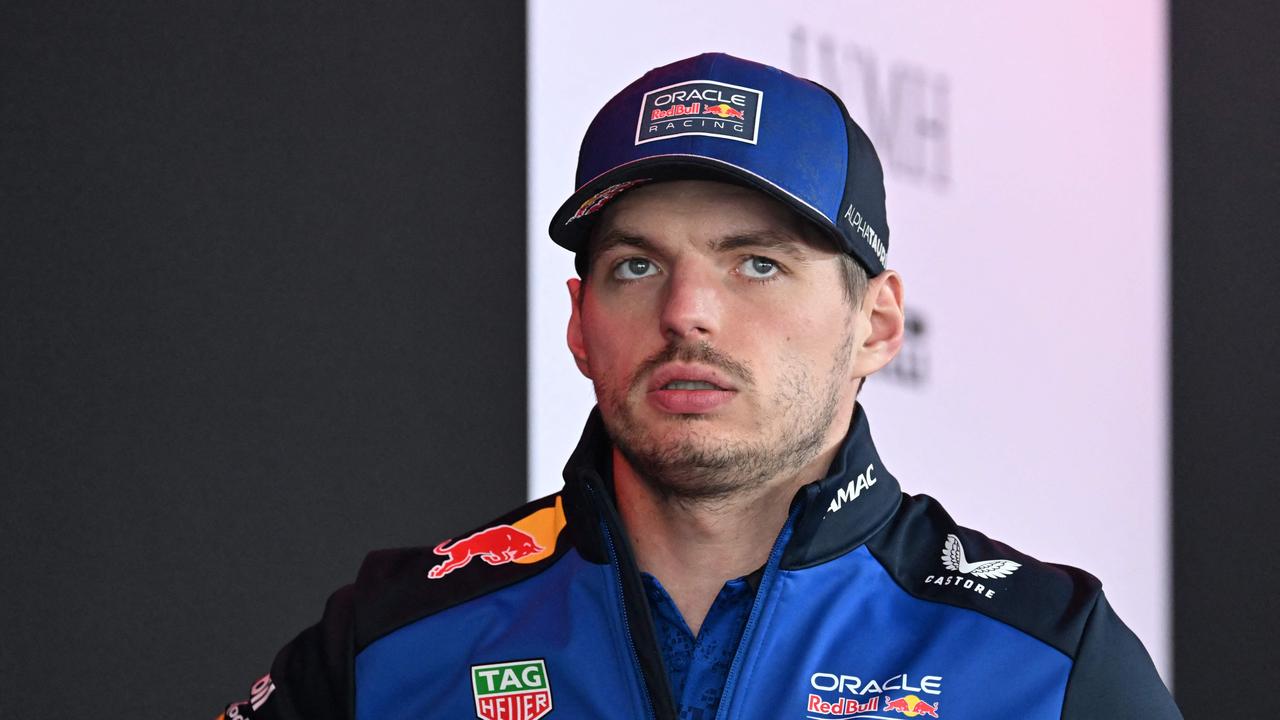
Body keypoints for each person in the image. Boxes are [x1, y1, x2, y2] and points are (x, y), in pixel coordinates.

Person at [219, 53, 1180, 720]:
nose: (688, 312)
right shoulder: (396, 642)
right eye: (636, 266)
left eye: (756, 264)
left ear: (876, 323)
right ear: (578, 322)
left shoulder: (1042, 660)